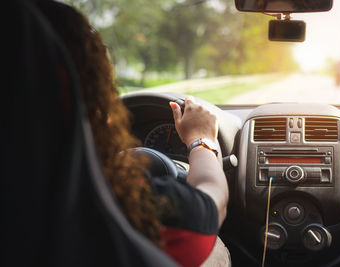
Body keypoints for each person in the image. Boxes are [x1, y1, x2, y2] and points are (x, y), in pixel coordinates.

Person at [34, 0, 230, 266]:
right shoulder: (118, 202)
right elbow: (212, 202)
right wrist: (202, 140)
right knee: (214, 249)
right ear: (91, 102)